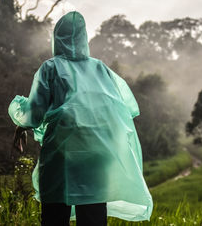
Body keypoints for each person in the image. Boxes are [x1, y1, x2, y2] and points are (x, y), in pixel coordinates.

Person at [8, 11, 153, 226]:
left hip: (62, 154)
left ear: (56, 39)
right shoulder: (100, 69)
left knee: (55, 215)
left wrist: (19, 120)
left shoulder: (50, 68)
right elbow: (121, 108)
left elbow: (34, 116)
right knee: (93, 215)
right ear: (84, 38)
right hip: (97, 155)